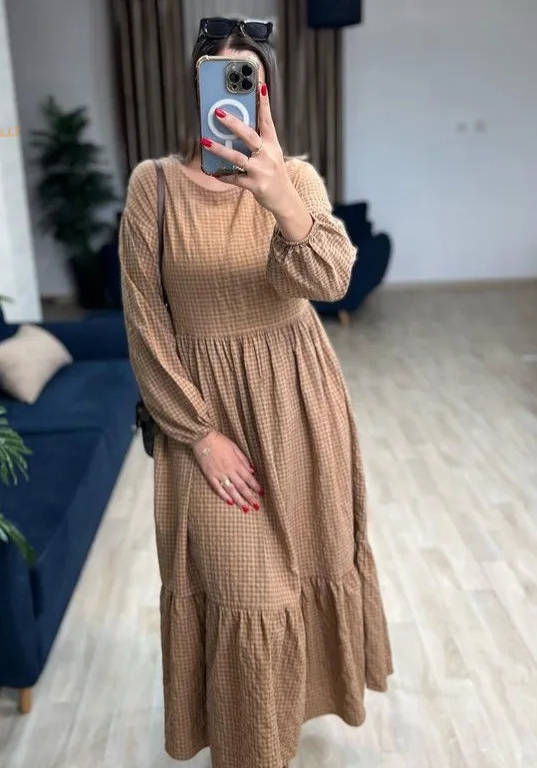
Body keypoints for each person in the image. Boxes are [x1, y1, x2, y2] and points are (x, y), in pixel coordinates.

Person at [119, 17, 393, 768]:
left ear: (264, 92)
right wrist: (199, 435)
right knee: (249, 596)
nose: (229, 93)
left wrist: (280, 199)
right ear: (196, 87)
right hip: (204, 418)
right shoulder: (153, 186)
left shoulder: (295, 180)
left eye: (244, 78)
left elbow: (332, 281)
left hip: (299, 407)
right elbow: (144, 321)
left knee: (305, 577)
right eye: (215, 76)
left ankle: (278, 729)